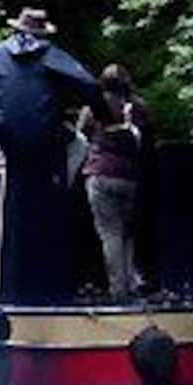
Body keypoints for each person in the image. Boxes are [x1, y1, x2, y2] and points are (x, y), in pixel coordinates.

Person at [0, 7, 113, 303]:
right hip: (44, 141)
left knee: (19, 201)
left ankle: (12, 280)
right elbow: (90, 85)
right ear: (42, 33)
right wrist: (106, 118)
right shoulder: (51, 56)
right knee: (69, 160)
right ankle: (54, 284)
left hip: (7, 138)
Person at [80, 64, 151, 298]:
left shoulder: (93, 107)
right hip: (130, 178)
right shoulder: (138, 107)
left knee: (110, 234)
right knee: (128, 233)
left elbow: (82, 136)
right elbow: (148, 137)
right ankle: (132, 282)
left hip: (100, 175)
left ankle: (118, 291)